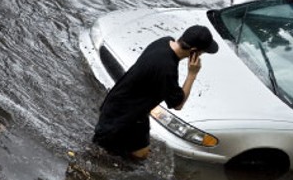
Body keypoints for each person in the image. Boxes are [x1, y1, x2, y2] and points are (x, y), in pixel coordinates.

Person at [92, 25, 219, 160]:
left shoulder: (164, 42)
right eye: (202, 52)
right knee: (100, 156)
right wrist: (192, 74)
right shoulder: (167, 68)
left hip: (132, 112)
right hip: (121, 118)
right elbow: (178, 104)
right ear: (194, 51)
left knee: (141, 155)